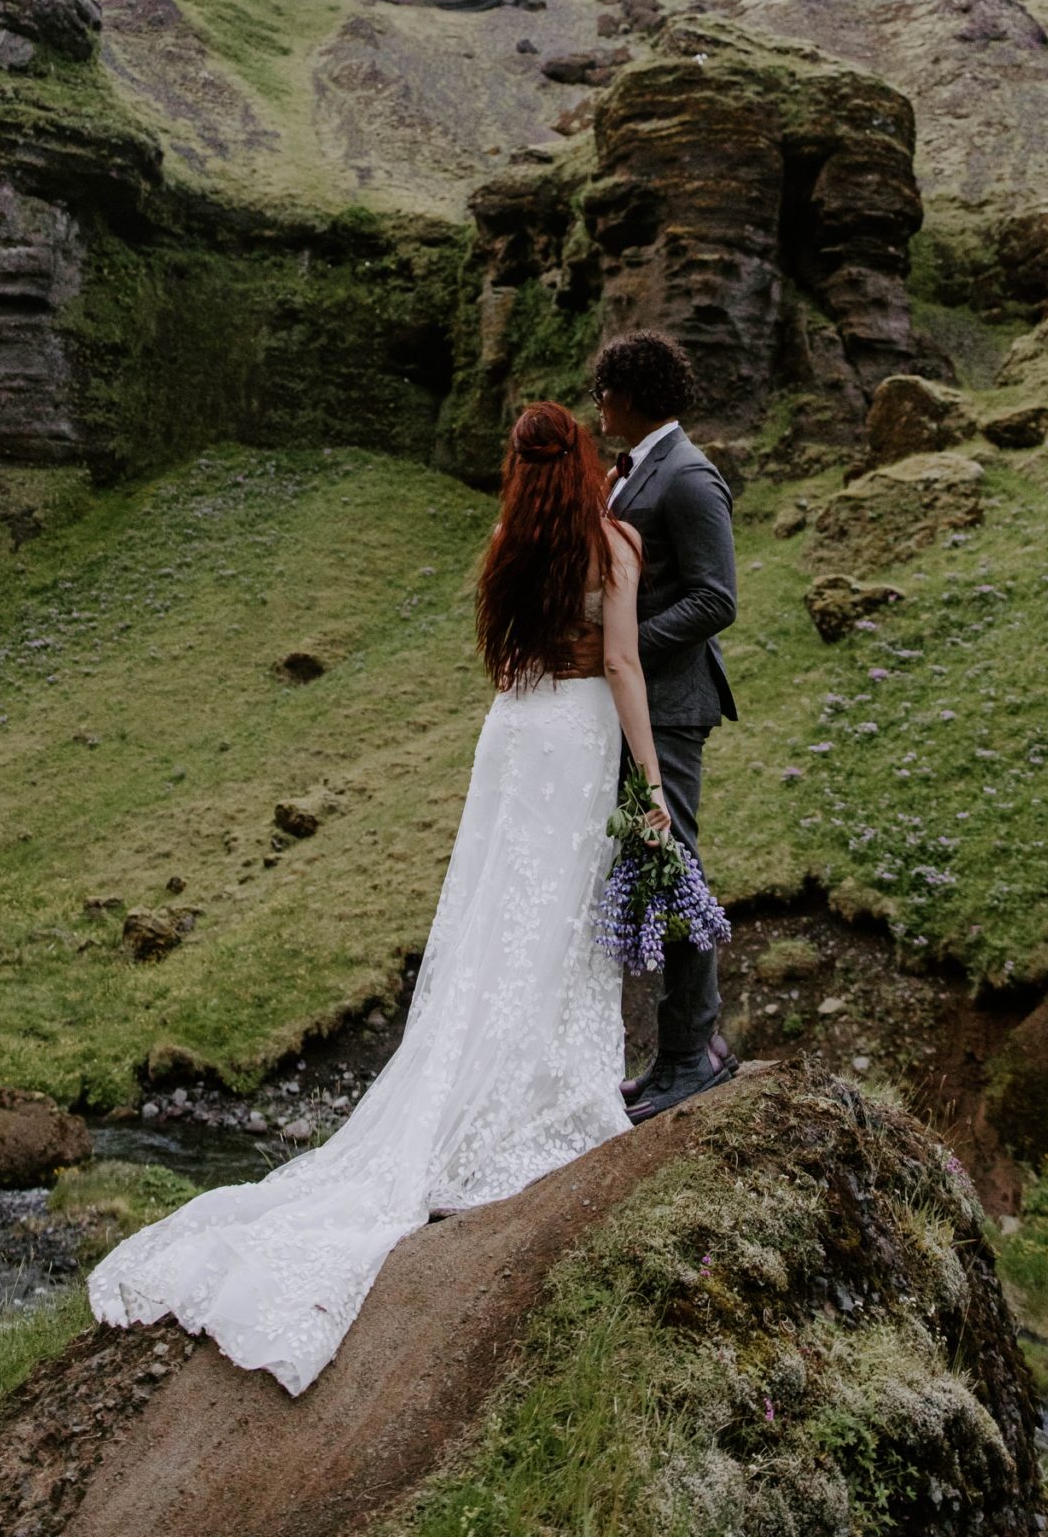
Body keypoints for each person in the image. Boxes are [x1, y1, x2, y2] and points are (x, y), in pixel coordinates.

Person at [86, 399, 669, 1396]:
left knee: (495, 913)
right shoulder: (612, 541)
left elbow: (502, 658)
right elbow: (620, 659)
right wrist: (652, 783)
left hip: (513, 730)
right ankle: (550, 1091)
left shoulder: (507, 540)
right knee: (558, 917)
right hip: (574, 735)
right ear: (581, 462)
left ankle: (481, 1082)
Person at [587, 330, 739, 1121]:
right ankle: (676, 1052)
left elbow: (718, 599)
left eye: (601, 391)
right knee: (656, 863)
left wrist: (621, 647)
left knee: (671, 862)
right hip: (643, 702)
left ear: (626, 396)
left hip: (673, 705)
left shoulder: (686, 477)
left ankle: (695, 1051)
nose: (596, 405)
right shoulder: (639, 469)